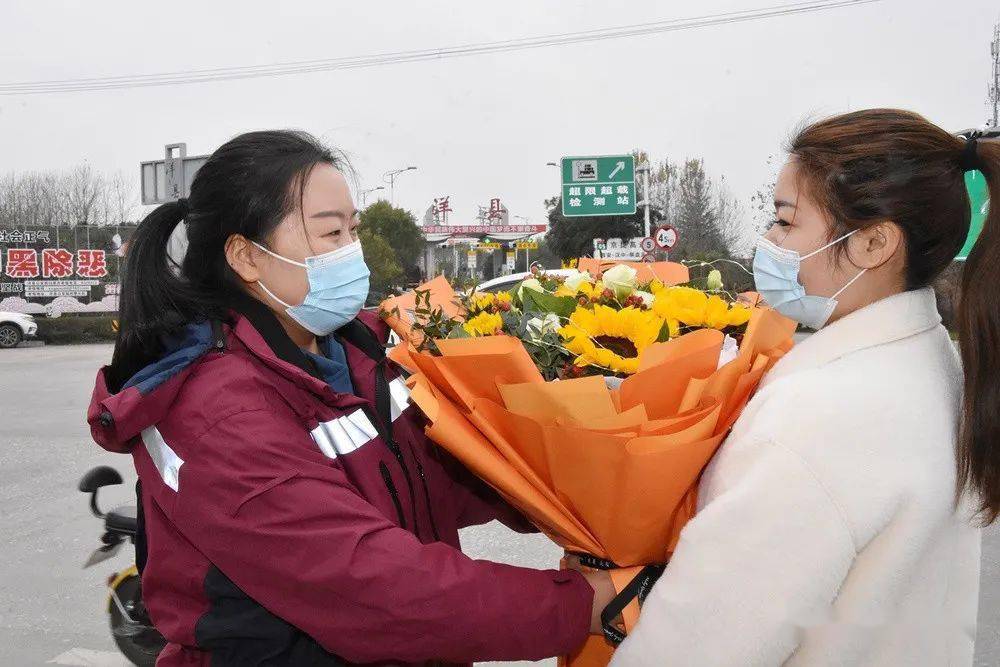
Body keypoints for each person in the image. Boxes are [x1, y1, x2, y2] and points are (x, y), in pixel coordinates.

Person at [87, 130, 614, 666]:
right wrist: (583, 607)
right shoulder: (216, 414)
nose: (351, 253)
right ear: (246, 256)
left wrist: (593, 488)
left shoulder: (364, 355)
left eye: (353, 230)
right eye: (329, 233)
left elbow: (448, 473)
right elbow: (374, 587)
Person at [599, 109, 999, 665]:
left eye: (786, 221)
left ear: (875, 244)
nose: (768, 239)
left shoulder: (819, 416)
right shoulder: (932, 365)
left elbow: (698, 647)